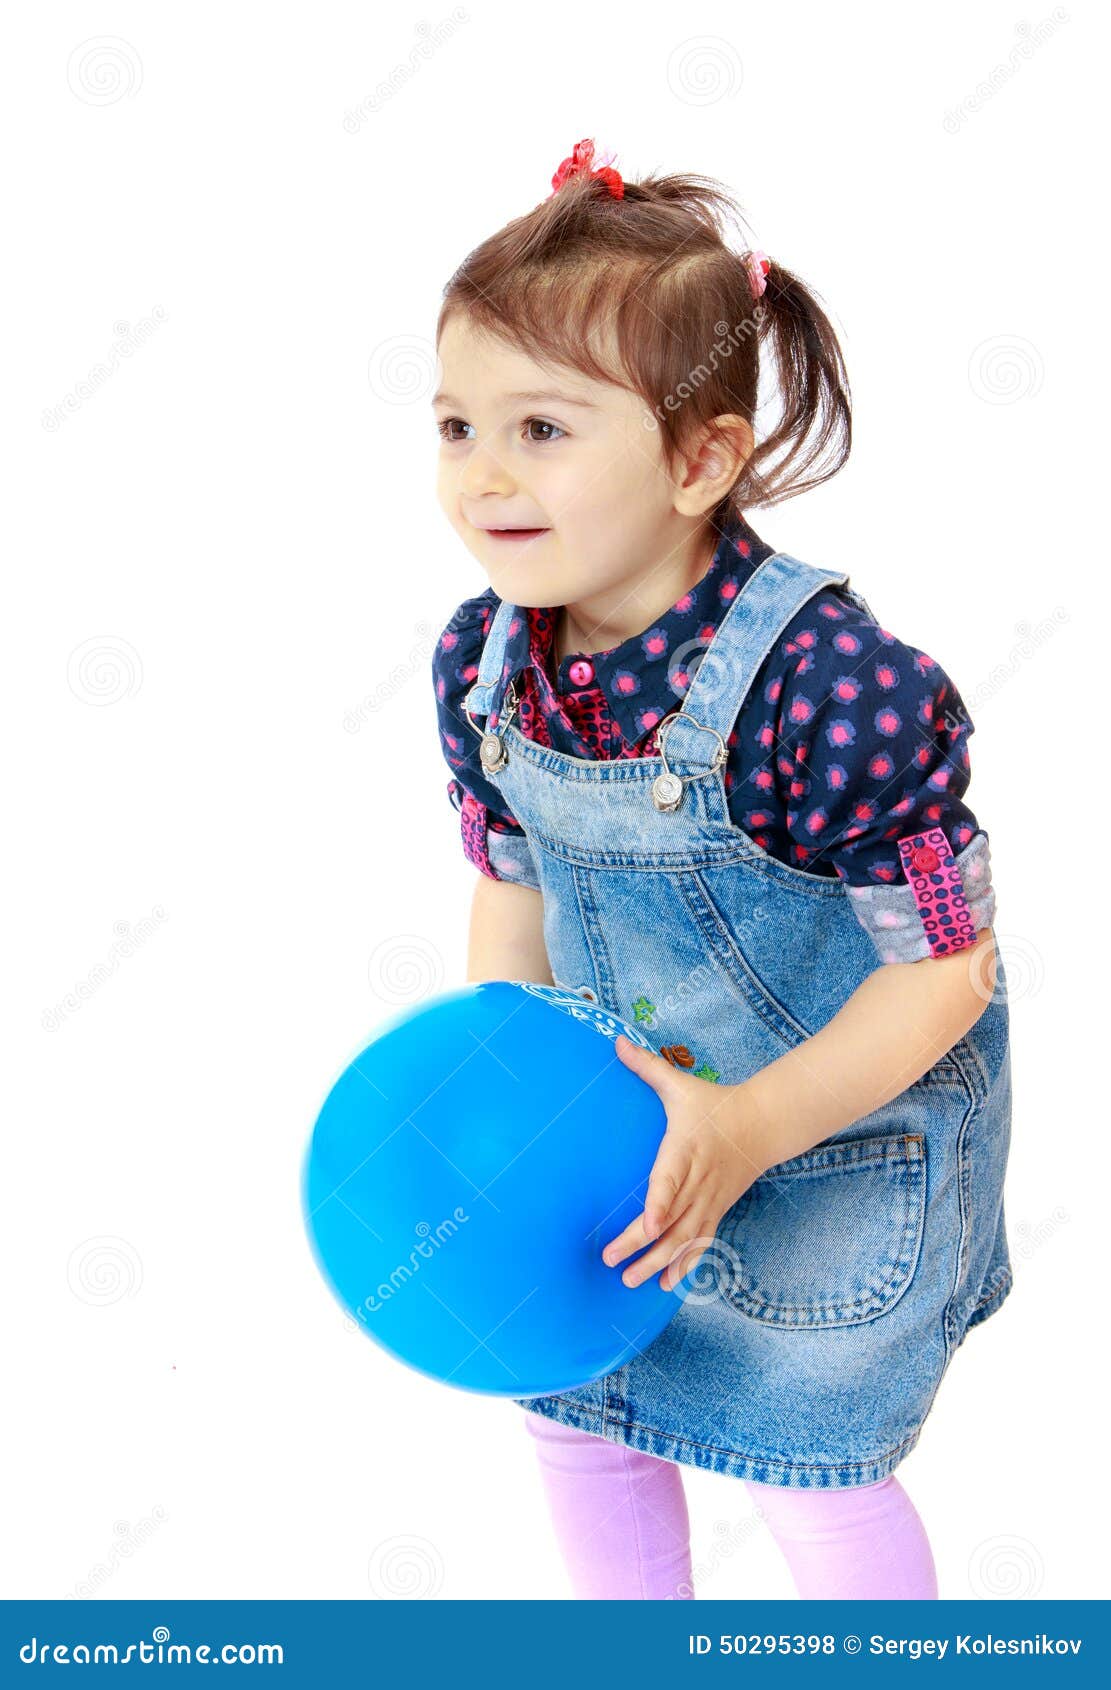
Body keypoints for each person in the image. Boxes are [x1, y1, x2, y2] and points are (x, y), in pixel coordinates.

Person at [430, 137, 1012, 1601]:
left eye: (543, 430)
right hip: (621, 1153)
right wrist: (522, 1065)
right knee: (583, 1418)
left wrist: (748, 1128)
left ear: (704, 459)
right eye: (454, 425)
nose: (484, 472)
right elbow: (513, 888)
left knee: (808, 1465)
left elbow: (949, 970)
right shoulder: (484, 659)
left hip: (820, 1145)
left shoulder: (836, 690)